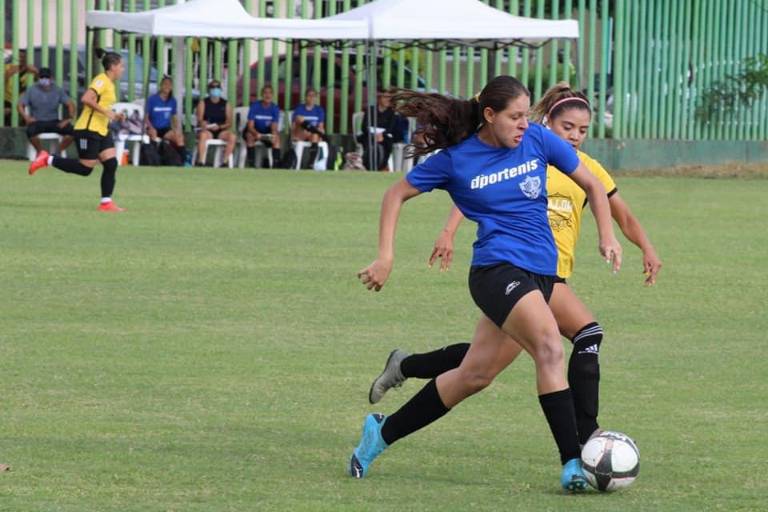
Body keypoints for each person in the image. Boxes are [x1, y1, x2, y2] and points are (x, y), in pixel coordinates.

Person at [349, 76, 622, 491]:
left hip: (541, 275)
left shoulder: (539, 141)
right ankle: (572, 463)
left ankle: (380, 433)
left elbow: (593, 185)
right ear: (489, 116)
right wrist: (385, 256)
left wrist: (607, 235)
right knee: (549, 344)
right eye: (514, 117)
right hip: (496, 271)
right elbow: (394, 195)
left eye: (526, 116)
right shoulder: (458, 160)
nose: (522, 125)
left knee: (473, 376)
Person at [28, 50, 127, 212]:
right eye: (121, 66)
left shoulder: (109, 83)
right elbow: (86, 99)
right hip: (88, 130)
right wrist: (107, 112)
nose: (123, 69)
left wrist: (114, 115)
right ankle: (47, 159)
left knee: (111, 163)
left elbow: (103, 106)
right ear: (112, 67)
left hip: (101, 130)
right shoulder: (101, 80)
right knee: (85, 169)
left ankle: (106, 203)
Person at [18, 67, 75, 156]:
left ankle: (57, 152)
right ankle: (41, 153)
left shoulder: (57, 90)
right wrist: (26, 117)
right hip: (37, 121)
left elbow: (70, 104)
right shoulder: (31, 90)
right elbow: (20, 105)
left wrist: (68, 119)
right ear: (38, 78)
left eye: (46, 77)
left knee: (72, 131)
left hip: (54, 121)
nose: (44, 80)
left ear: (51, 78)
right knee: (30, 131)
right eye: (42, 78)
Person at [359, 88, 403, 171]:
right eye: (385, 97)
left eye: (390, 98)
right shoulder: (370, 110)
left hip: (385, 136)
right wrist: (374, 134)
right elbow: (364, 126)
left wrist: (382, 135)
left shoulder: (393, 113)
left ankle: (382, 165)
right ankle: (367, 164)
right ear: (380, 98)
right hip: (370, 135)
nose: (388, 100)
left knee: (386, 142)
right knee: (368, 140)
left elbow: (391, 128)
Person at [146, 75, 187, 164]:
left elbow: (174, 117)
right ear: (161, 85)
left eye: (169, 85)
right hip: (153, 127)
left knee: (179, 137)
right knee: (153, 133)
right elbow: (145, 117)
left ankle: (183, 162)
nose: (167, 87)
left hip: (165, 129)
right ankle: (153, 161)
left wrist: (176, 129)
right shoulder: (152, 99)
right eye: (165, 84)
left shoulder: (172, 101)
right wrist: (150, 127)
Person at [195, 79, 235, 167]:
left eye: (217, 87)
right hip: (207, 130)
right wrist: (204, 124)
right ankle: (201, 161)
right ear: (209, 90)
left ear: (220, 89)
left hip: (221, 130)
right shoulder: (203, 103)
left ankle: (225, 162)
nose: (215, 89)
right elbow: (199, 120)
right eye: (213, 87)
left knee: (232, 136)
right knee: (203, 135)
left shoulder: (226, 104)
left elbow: (229, 122)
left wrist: (220, 127)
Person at [244, 85, 282, 168]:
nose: (267, 95)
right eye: (265, 93)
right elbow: (250, 126)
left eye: (270, 93)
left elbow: (274, 127)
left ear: (272, 95)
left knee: (276, 138)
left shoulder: (275, 108)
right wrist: (256, 134)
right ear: (261, 95)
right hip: (254, 131)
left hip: (266, 132)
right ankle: (251, 165)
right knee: (250, 136)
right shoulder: (255, 106)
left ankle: (276, 166)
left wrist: (273, 135)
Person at [291, 87, 325, 167]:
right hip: (300, 133)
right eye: (309, 96)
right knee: (300, 118)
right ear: (305, 97)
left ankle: (311, 163)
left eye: (313, 96)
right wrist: (292, 136)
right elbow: (294, 125)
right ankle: (312, 130)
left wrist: (321, 130)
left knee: (315, 134)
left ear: (316, 98)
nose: (311, 98)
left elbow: (320, 126)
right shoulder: (299, 108)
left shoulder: (319, 110)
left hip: (312, 135)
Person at [4, 49, 38, 118]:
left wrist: (37, 72)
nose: (20, 59)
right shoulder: (6, 67)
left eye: (23, 57)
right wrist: (7, 75)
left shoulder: (31, 70)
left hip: (22, 103)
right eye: (18, 56)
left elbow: (47, 83)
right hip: (6, 101)